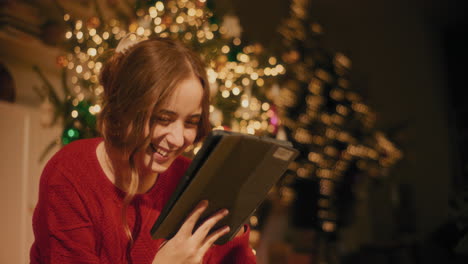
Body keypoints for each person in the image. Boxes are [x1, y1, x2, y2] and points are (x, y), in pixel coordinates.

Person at [30, 35, 257, 264]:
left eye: (190, 122)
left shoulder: (191, 181)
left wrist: (233, 232)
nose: (178, 139)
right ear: (126, 109)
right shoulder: (70, 175)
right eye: (163, 118)